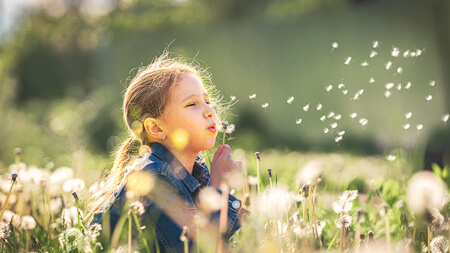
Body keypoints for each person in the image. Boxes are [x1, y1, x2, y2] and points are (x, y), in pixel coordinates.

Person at [86, 50, 249, 252]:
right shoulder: (153, 179)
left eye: (207, 101)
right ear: (156, 128)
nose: (210, 111)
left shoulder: (194, 174)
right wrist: (219, 190)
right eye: (192, 104)